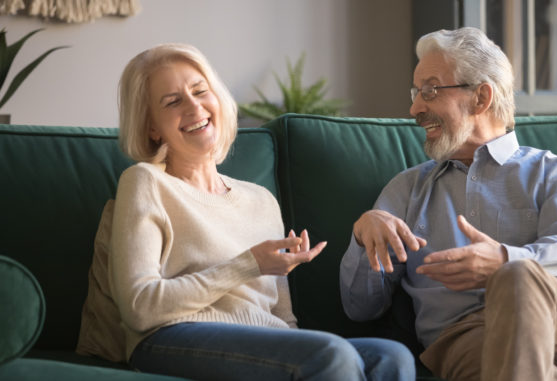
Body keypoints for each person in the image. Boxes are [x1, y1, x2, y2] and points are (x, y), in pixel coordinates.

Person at [76, 43, 415, 381]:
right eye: (173, 101)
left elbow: (282, 318)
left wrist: (294, 341)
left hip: (261, 342)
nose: (194, 107)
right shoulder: (145, 181)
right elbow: (140, 307)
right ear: (152, 127)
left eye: (199, 91)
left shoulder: (261, 199)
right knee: (331, 354)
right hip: (169, 336)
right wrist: (248, 264)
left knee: (391, 357)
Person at [339, 27, 557, 381]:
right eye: (416, 92)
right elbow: (360, 309)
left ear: (481, 98)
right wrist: (363, 240)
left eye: (430, 90)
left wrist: (504, 262)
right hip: (464, 337)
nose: (414, 108)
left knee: (517, 275)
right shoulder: (406, 190)